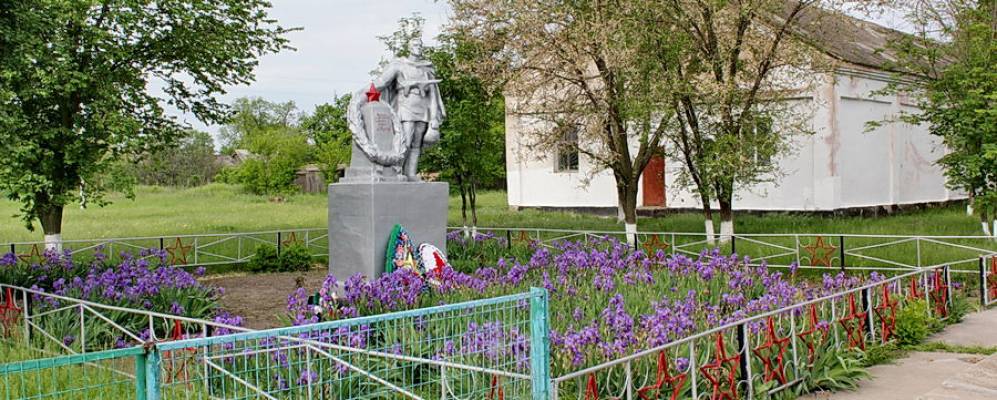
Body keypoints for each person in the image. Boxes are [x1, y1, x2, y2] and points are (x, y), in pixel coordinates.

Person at [371, 37, 446, 182]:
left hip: (422, 109)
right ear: (410, 48)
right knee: (405, 140)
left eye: (420, 45)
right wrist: (368, 93)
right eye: (416, 45)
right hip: (405, 108)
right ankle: (397, 171)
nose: (419, 47)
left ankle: (411, 173)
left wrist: (433, 118)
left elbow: (433, 97)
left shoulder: (425, 69)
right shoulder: (400, 65)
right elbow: (382, 82)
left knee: (417, 144)